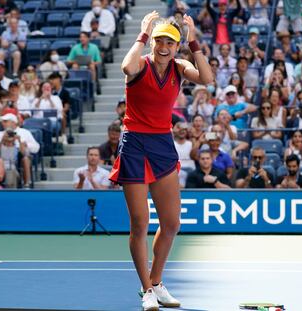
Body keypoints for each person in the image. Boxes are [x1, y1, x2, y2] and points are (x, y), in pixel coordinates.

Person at [109, 12, 212, 311]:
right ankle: (146, 290)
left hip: (162, 145)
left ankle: (156, 281)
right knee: (140, 223)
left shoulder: (180, 68)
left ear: (177, 46)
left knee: (171, 223)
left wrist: (192, 38)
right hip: (134, 144)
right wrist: (142, 34)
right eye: (159, 41)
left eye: (170, 41)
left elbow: (207, 78)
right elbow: (126, 66)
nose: (164, 46)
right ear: (152, 43)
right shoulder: (141, 64)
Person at [0, 113, 40, 188]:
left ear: (13, 122)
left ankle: (27, 184)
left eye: (5, 121)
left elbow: (36, 148)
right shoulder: (1, 134)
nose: (3, 123)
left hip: (20, 158)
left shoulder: (25, 132)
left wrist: (23, 143)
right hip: (3, 160)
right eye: (3, 121)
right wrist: (2, 140)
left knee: (26, 158)